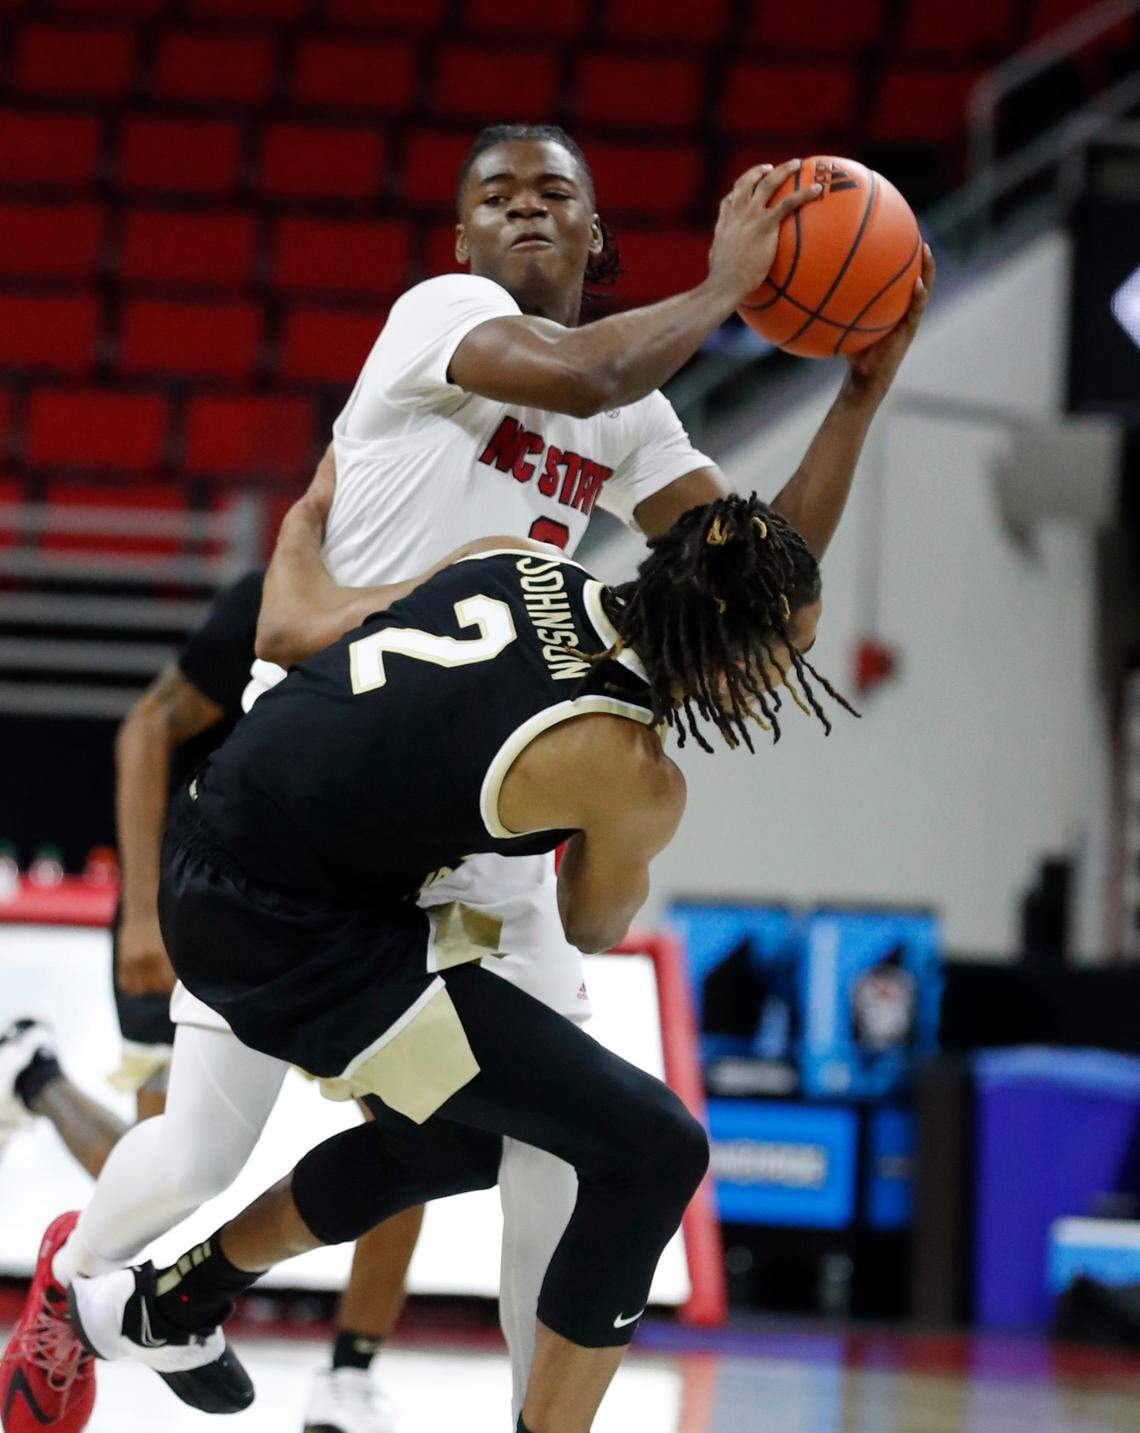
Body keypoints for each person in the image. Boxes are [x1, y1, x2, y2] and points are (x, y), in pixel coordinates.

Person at [0, 121, 932, 1433]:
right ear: (462, 241)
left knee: (563, 1149)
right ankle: (90, 1283)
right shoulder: (447, 316)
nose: (529, 209)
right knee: (197, 1149)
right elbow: (585, 369)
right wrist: (732, 284)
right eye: (498, 196)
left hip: (490, 809)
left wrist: (860, 390)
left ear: (599, 234)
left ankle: (515, 1408)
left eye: (559, 192)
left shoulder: (634, 418)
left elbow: (753, 578)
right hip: (326, 777)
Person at [69, 495, 851, 1433]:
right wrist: (620, 835)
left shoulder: (522, 559)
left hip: (218, 828)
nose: (789, 678)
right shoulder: (629, 766)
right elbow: (592, 923)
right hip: (284, 928)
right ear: (730, 645)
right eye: (789, 654)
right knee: (655, 1147)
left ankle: (180, 1298)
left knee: (456, 1137)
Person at [0, 575, 421, 1433]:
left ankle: (348, 1372)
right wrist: (146, 907)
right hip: (203, 884)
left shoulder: (449, 594)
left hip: (337, 906)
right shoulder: (284, 588)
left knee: (417, 1128)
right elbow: (147, 726)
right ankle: (37, 1079)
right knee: (168, 1173)